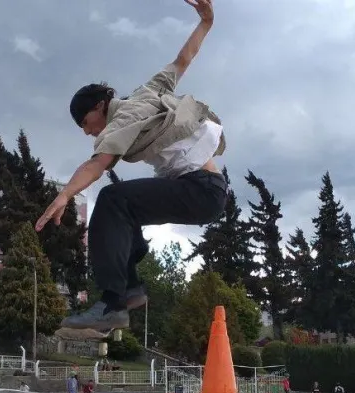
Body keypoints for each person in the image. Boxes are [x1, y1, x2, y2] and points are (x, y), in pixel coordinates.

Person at [35, 0, 225, 332]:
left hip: (199, 190)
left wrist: (65, 194)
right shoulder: (147, 91)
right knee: (125, 207)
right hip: (207, 190)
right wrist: (206, 23)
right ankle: (132, 287)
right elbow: (183, 60)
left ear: (99, 106)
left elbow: (97, 164)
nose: (86, 130)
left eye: (85, 121)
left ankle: (112, 304)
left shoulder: (119, 119)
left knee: (112, 200)